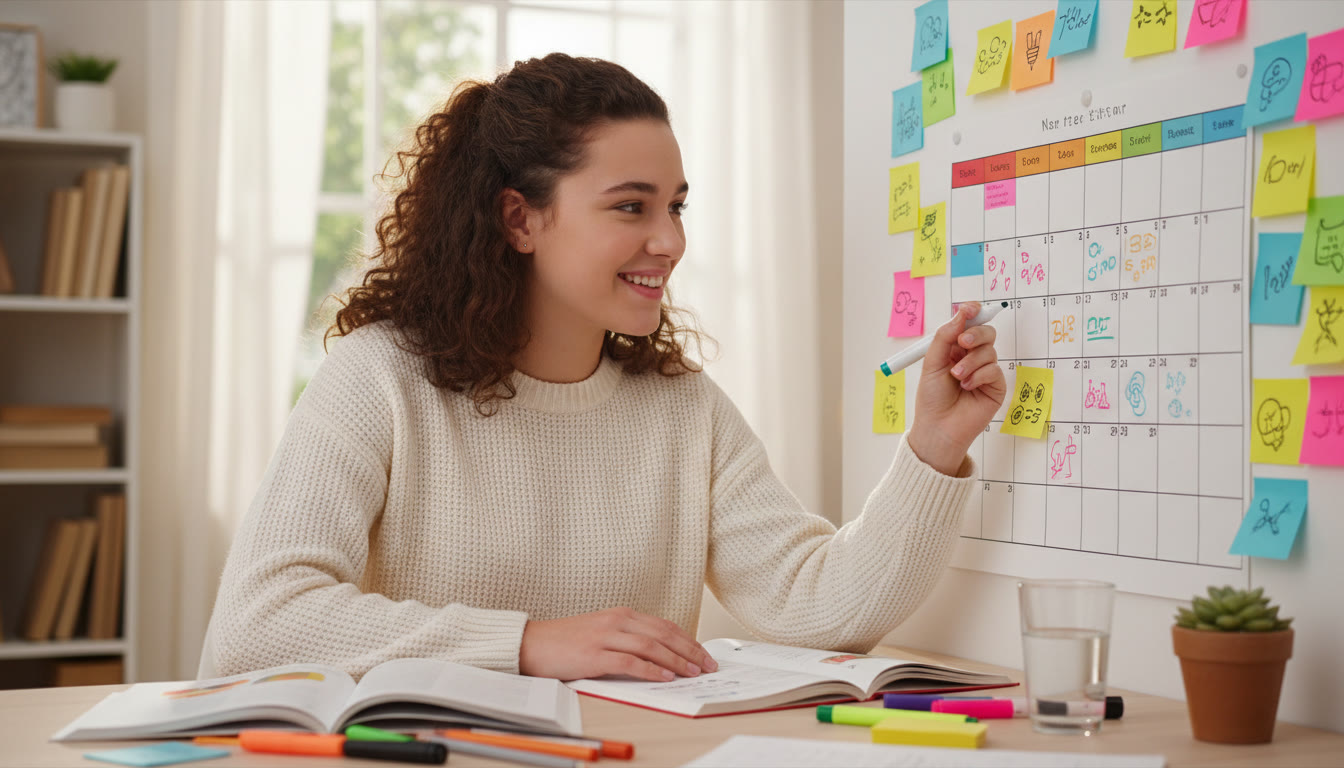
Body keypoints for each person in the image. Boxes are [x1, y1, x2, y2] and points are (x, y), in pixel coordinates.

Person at [201, 53, 1005, 683]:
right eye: (632, 206)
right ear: (521, 218)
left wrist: (932, 446)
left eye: (676, 206)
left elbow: (817, 602)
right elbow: (259, 623)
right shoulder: (379, 379)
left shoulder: (684, 410)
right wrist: (528, 644)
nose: (670, 241)